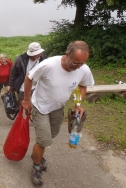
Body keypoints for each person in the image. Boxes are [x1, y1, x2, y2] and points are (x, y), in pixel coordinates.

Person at [22, 41, 95, 186]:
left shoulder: (83, 69)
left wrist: (78, 104)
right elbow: (29, 78)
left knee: (52, 135)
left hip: (57, 108)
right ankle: (36, 167)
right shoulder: (48, 65)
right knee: (43, 140)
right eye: (76, 63)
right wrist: (26, 100)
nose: (79, 67)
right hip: (40, 106)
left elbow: (82, 85)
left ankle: (36, 153)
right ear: (67, 55)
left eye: (82, 63)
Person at [9, 42, 45, 106]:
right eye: (37, 53)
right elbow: (13, 73)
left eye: (40, 53)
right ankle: (20, 113)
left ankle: (29, 115)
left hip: (37, 85)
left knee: (33, 104)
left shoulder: (42, 58)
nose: (40, 54)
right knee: (22, 103)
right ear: (32, 54)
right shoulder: (21, 60)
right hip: (23, 85)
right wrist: (11, 87)